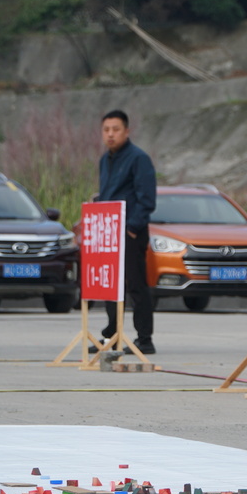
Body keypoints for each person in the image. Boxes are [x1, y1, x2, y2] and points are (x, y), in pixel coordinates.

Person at [89, 110, 158, 355]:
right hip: (108, 231)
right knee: (110, 286)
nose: (110, 134)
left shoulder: (138, 158)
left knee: (136, 284)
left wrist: (131, 228)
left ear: (126, 131)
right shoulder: (104, 160)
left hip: (130, 233)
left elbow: (146, 198)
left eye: (115, 129)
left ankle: (145, 338)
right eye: (106, 130)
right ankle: (113, 334)